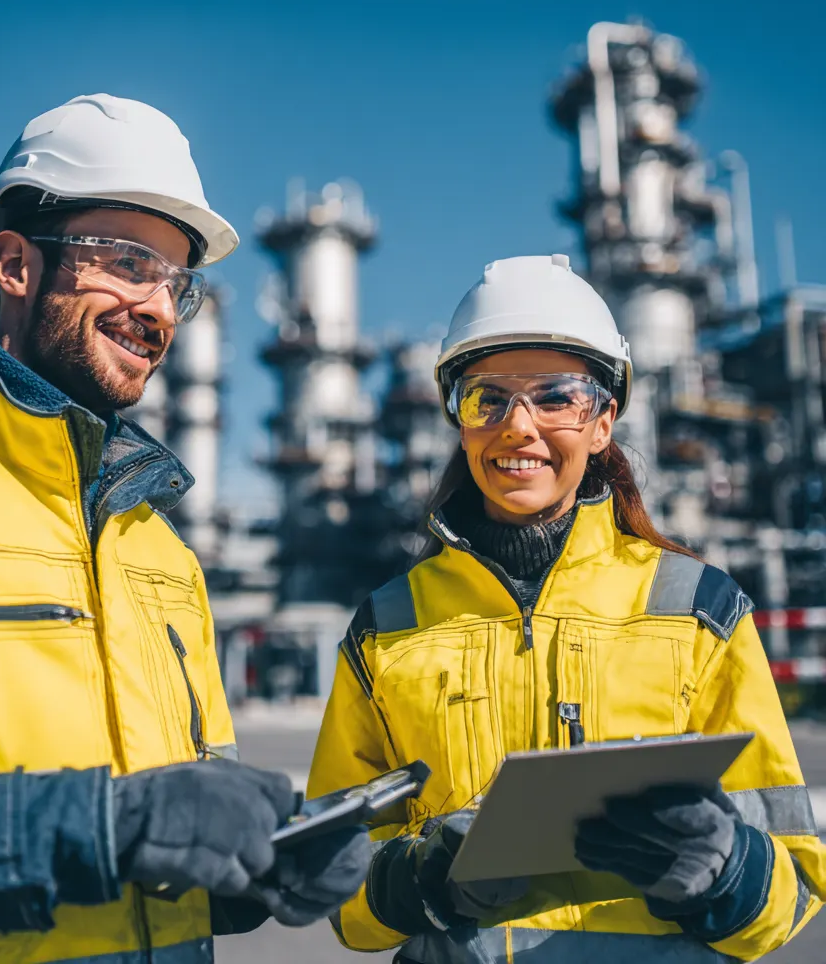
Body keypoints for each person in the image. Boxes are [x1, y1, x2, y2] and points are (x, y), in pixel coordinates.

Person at [0, 94, 369, 962]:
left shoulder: (158, 551)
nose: (161, 309)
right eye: (129, 263)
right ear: (16, 265)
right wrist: (105, 827)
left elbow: (186, 845)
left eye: (179, 282)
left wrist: (270, 863)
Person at [308, 254, 825, 962]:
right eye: (486, 397)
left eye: (556, 397)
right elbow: (337, 886)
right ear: (458, 419)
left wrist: (726, 869)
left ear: (603, 421)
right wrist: (425, 880)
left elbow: (794, 887)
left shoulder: (697, 609)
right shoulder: (389, 627)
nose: (518, 427)